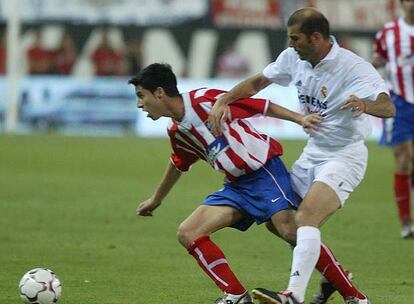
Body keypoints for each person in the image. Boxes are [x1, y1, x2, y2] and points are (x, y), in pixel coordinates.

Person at [131, 63, 378, 304]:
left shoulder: (205, 100)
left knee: (291, 231)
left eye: (142, 96)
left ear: (160, 93)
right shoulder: (176, 130)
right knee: (189, 232)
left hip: (264, 173)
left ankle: (354, 295)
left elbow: (261, 105)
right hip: (236, 187)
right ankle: (236, 295)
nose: (140, 104)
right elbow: (179, 163)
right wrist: (156, 199)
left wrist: (299, 118)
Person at [209, 8, 395, 304]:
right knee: (278, 220)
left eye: (295, 38)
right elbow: (257, 83)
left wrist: (364, 104)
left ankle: (293, 295)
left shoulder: (353, 67)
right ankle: (349, 293)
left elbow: (388, 107)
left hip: (344, 156)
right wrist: (225, 98)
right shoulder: (292, 58)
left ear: (316, 37)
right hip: (313, 153)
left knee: (307, 217)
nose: (291, 44)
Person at [373, 0, 414, 239]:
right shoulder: (389, 33)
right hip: (399, 104)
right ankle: (406, 222)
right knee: (404, 158)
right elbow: (378, 59)